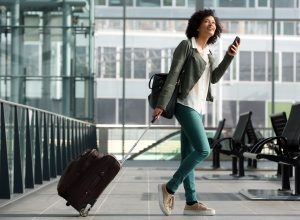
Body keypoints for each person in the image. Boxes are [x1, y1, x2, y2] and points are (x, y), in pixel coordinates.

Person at [152, 9, 239, 216]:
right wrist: (161, 104)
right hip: (184, 104)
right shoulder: (187, 46)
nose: (212, 24)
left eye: (213, 22)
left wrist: (229, 56)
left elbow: (215, 78)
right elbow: (173, 75)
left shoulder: (209, 53)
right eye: (207, 21)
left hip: (198, 108)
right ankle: (169, 187)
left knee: (187, 155)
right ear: (197, 25)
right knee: (203, 150)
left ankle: (191, 202)